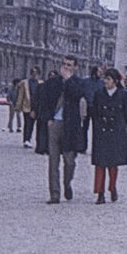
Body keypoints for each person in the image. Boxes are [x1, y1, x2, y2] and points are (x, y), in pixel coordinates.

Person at [40, 55, 85, 204]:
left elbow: (77, 95)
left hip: (70, 125)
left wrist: (69, 80)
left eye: (70, 65)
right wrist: (48, 119)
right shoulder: (53, 82)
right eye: (64, 64)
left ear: (75, 67)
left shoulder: (78, 82)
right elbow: (44, 101)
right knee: (53, 161)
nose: (66, 67)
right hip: (55, 124)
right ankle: (54, 194)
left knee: (69, 161)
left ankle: (67, 183)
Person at [91, 68, 127, 204]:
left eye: (108, 79)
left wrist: (119, 126)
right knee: (100, 164)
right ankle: (100, 192)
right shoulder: (99, 94)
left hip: (115, 132)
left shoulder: (123, 95)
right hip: (102, 132)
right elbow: (95, 111)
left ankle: (112, 187)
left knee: (113, 165)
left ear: (115, 81)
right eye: (105, 79)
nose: (105, 81)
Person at [17, 66, 41, 148]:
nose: (34, 75)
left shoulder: (41, 83)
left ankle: (28, 139)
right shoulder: (25, 83)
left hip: (36, 107)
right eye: (33, 73)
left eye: (36, 73)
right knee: (27, 123)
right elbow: (21, 95)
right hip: (27, 105)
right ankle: (26, 139)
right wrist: (18, 106)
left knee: (32, 123)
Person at [82, 66, 104, 153]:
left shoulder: (101, 82)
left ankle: (96, 148)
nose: (101, 73)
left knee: (97, 129)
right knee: (84, 128)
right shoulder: (86, 81)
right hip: (87, 106)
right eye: (99, 71)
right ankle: (83, 146)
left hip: (96, 107)